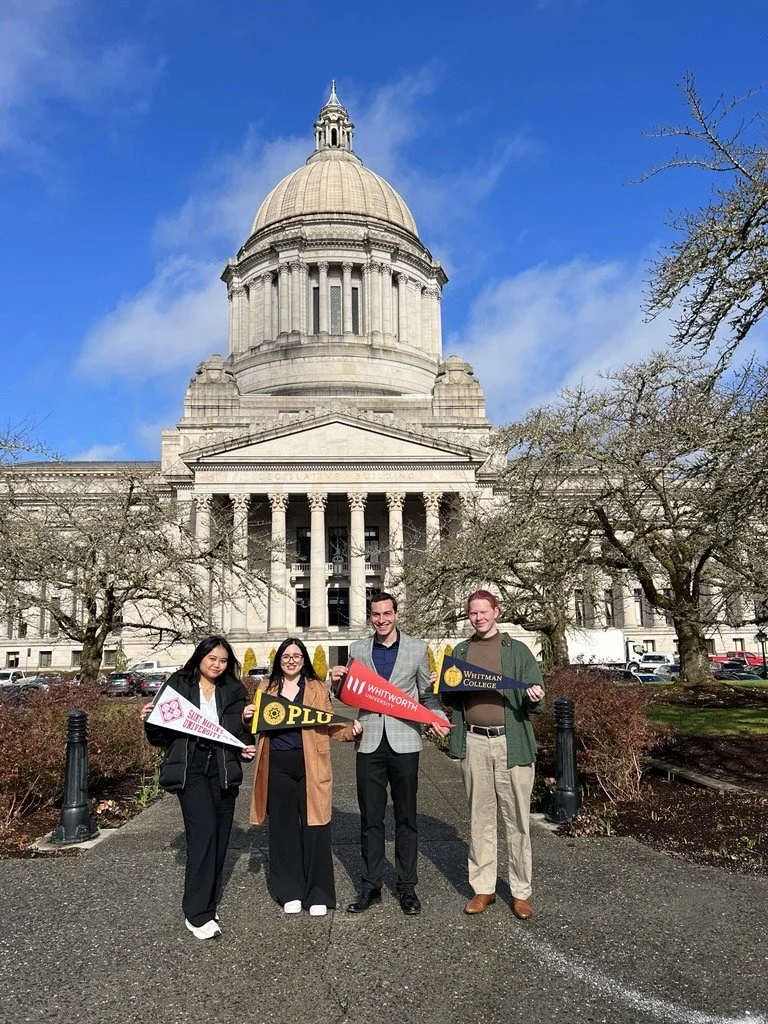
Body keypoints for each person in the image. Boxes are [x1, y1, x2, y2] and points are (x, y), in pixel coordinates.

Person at [329, 591, 450, 916]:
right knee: (370, 818)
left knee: (406, 817)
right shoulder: (356, 650)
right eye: (375, 615)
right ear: (370, 617)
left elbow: (426, 694)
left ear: (396, 614)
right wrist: (334, 683)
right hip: (368, 741)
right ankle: (370, 886)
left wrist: (437, 717)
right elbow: (348, 693)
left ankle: (407, 887)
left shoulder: (416, 648)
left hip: (405, 742)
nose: (381, 620)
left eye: (387, 614)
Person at [141, 636, 256, 940]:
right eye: (212, 659)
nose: (217, 665)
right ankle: (197, 912)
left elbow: (242, 733)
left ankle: (208, 901)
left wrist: (247, 743)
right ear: (200, 657)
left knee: (219, 838)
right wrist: (149, 719)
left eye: (222, 660)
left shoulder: (234, 689)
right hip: (191, 769)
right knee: (203, 833)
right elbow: (159, 735)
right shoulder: (179, 683)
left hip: (222, 769)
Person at [442, 590, 545, 920]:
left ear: (496, 612)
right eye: (473, 613)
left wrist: (533, 695)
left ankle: (520, 891)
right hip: (474, 743)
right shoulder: (461, 650)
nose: (479, 617)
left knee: (517, 821)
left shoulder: (517, 651)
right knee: (480, 819)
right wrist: (442, 685)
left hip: (509, 744)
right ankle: (483, 888)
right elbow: (452, 701)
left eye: (484, 612)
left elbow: (536, 700)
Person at [244, 637, 361, 916]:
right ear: (279, 660)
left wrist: (350, 731)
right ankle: (290, 891)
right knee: (283, 829)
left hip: (311, 765)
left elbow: (329, 723)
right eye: (286, 656)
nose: (291, 660)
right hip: (277, 766)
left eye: (297, 655)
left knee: (316, 827)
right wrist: (247, 717)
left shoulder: (317, 688)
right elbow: (254, 724)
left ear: (304, 659)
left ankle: (318, 893)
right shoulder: (266, 687)